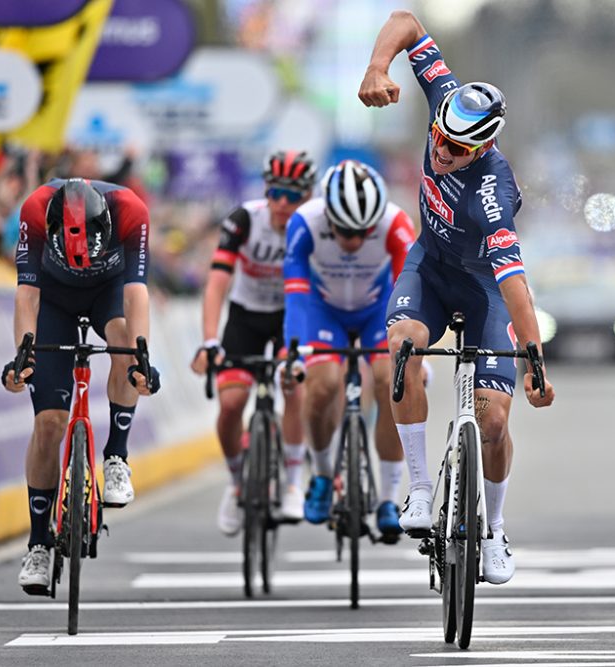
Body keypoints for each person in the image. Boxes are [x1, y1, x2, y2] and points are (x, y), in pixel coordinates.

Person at [358, 10, 554, 585]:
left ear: (484, 147)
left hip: (486, 291)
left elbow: (515, 285)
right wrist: (377, 66)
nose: (441, 153)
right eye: (438, 139)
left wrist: (536, 361)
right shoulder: (446, 95)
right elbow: (404, 21)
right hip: (431, 269)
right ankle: (419, 489)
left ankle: (493, 529)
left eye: (457, 150)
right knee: (401, 347)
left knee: (493, 421)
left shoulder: (491, 193)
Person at [2, 177, 158, 595]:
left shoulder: (130, 210)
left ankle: (116, 456)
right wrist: (24, 354)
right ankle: (38, 543)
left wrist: (141, 357)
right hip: (54, 299)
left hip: (108, 292)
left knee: (124, 340)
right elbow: (27, 297)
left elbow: (137, 293)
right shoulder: (35, 208)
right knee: (49, 424)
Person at [283, 159, 415, 538]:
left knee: (393, 381)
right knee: (321, 384)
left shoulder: (395, 223)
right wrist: (294, 350)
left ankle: (389, 496)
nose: (354, 241)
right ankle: (323, 474)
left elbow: (409, 290)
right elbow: (294, 291)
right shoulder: (305, 222)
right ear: (329, 216)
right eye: (344, 230)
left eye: (364, 231)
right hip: (322, 309)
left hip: (379, 309)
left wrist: (412, 349)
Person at [190, 150, 316, 536]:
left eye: (291, 195)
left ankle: (293, 481)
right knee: (230, 405)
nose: (281, 203)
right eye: (275, 192)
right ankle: (237, 480)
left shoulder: (313, 225)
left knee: (292, 387)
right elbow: (217, 283)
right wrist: (210, 340)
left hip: (290, 316)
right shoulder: (245, 218)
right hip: (245, 315)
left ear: (307, 195)